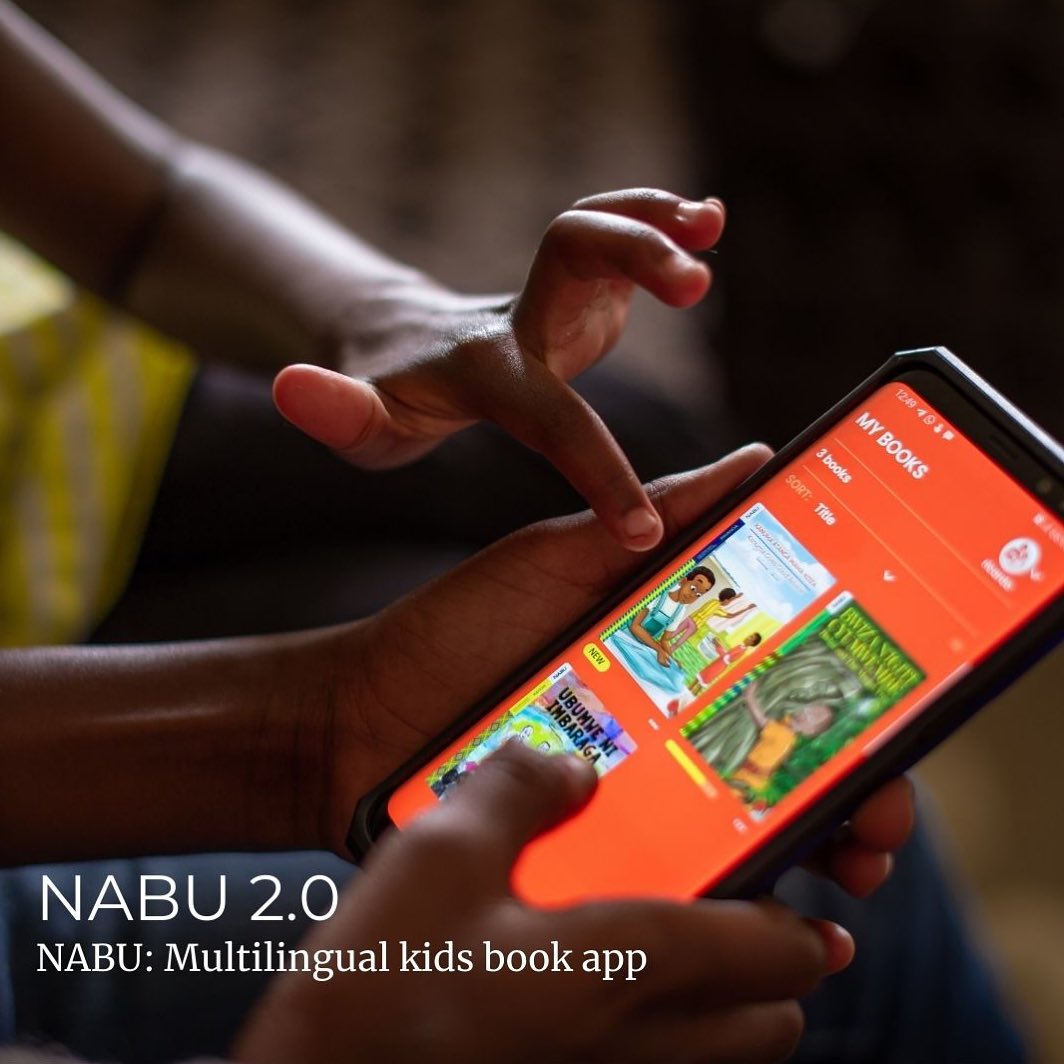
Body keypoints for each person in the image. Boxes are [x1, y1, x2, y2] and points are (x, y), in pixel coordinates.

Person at [0, 3, 1025, 1062]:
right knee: (838, 913)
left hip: (82, 428)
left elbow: (148, 204)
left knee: (638, 443)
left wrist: (394, 312)